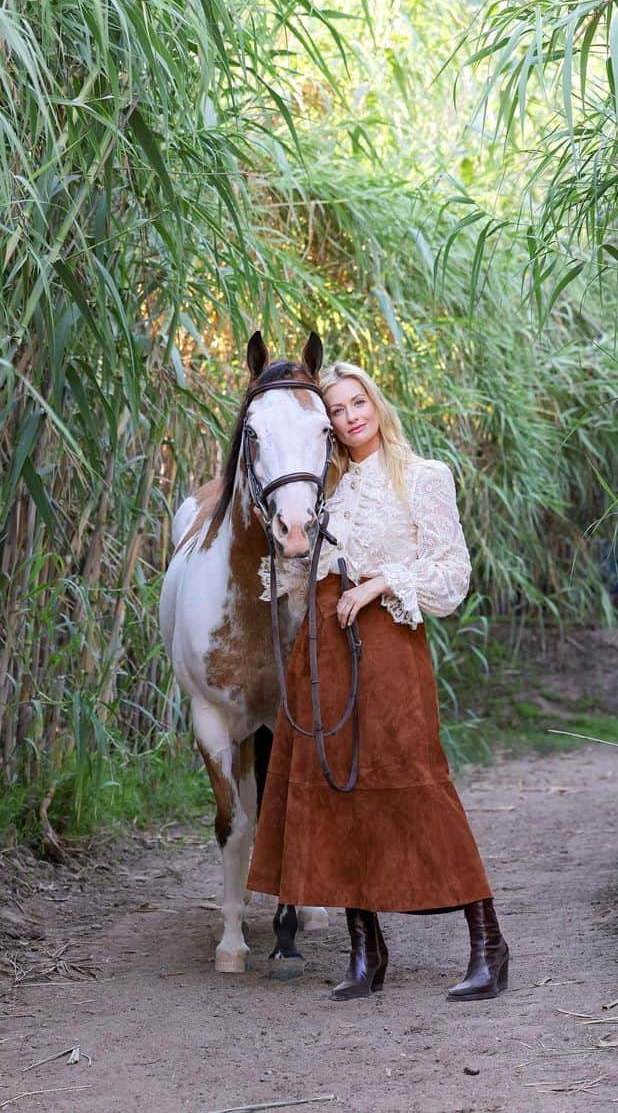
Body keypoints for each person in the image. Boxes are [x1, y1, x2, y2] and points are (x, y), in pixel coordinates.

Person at [246, 360, 509, 1001]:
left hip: (389, 646)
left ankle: (488, 943)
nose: (349, 416)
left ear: (376, 402)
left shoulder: (423, 477)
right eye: (336, 410)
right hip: (324, 653)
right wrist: (287, 555)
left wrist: (380, 583)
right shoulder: (327, 492)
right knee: (337, 791)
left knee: (418, 785)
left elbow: (452, 571)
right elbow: (302, 582)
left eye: (356, 401)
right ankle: (366, 953)